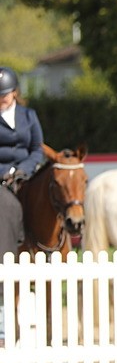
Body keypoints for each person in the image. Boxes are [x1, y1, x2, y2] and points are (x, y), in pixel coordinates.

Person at [0, 66, 44, 257]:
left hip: (27, 172)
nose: (1, 100)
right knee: (5, 205)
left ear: (14, 93)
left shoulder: (29, 115)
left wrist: (22, 170)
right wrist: (5, 172)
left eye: (4, 95)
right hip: (1, 179)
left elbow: (37, 149)